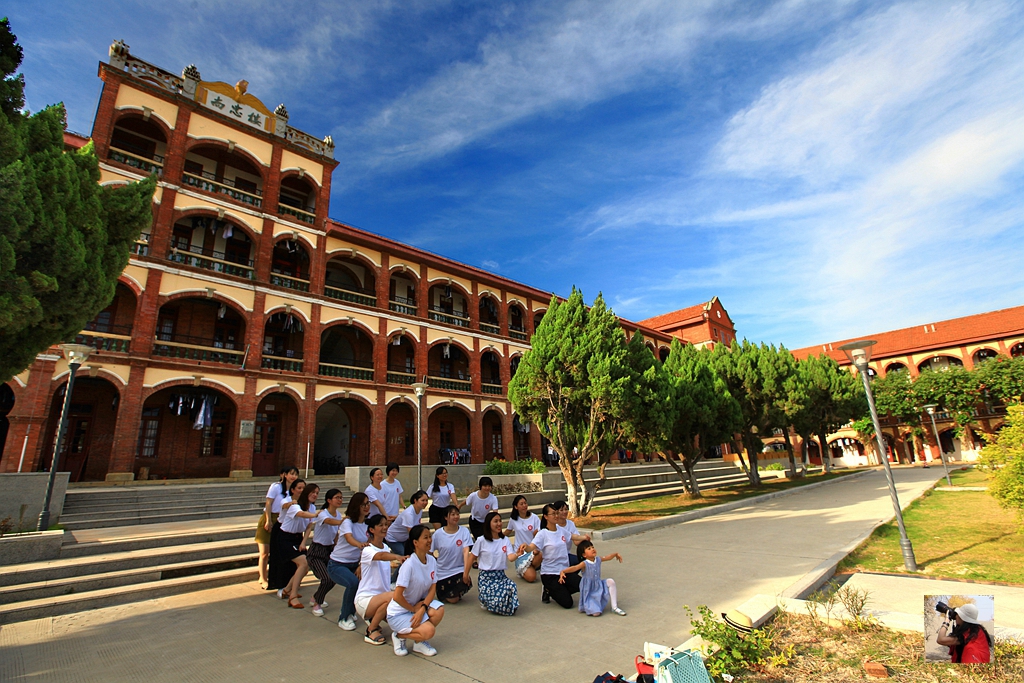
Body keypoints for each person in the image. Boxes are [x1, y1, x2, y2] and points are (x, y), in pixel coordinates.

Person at [387, 525, 445, 657]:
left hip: (418, 605)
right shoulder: (409, 565)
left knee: (439, 610)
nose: (429, 540)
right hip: (399, 612)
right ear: (415, 542)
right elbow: (397, 596)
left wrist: (423, 608)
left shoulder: (431, 560)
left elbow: (432, 588)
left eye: (430, 537)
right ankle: (398, 635)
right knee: (429, 631)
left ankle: (419, 642)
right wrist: (413, 610)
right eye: (425, 537)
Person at [355, 514, 406, 646]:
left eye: (385, 525)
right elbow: (381, 556)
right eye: (380, 525)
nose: (385, 527)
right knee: (393, 596)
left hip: (383, 598)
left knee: (404, 624)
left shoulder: (385, 546)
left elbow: (383, 554)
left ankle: (374, 620)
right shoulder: (367, 550)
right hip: (365, 600)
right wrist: (397, 556)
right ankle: (371, 630)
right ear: (372, 529)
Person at [327, 492, 371, 631]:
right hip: (337, 564)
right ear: (356, 506)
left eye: (368, 503)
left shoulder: (367, 525)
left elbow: (369, 545)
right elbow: (349, 538)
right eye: (363, 504)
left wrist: (360, 565)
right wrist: (359, 545)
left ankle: (351, 611)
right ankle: (344, 617)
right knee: (353, 583)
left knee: (361, 585)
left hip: (354, 563)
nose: (366, 507)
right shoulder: (347, 522)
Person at [522, 504, 580, 609]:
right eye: (553, 514)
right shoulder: (543, 534)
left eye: (557, 513)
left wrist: (584, 537)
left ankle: (560, 588)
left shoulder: (561, 530)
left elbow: (572, 536)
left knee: (582, 585)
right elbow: (531, 547)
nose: (556, 516)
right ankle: (548, 590)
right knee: (568, 603)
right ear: (546, 516)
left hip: (564, 571)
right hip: (550, 574)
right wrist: (525, 547)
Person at [274, 482, 319, 608]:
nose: (315, 495)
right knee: (303, 563)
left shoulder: (312, 508)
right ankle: (293, 596)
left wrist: (303, 542)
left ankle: (287, 589)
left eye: (317, 493)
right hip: (285, 538)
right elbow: (302, 514)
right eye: (312, 492)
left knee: (306, 565)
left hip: (297, 538)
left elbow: (309, 526)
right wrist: (316, 515)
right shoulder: (295, 505)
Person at [559, 539, 626, 617]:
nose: (592, 549)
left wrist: (615, 554)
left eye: (592, 547)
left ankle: (614, 607)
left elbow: (607, 557)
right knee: (596, 613)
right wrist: (563, 571)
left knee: (611, 581)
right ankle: (589, 605)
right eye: (589, 549)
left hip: (598, 584)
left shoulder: (598, 559)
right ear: (584, 555)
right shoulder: (584, 564)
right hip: (589, 589)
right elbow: (575, 567)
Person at [255, 467, 298, 589]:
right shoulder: (276, 487)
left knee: (279, 552)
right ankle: (262, 577)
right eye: (291, 474)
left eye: (295, 474)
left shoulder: (293, 490)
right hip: (270, 517)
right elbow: (268, 503)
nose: (293, 476)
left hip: (283, 521)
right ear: (284, 475)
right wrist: (268, 520)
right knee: (264, 552)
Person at [303, 488, 344, 616]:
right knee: (326, 578)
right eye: (337, 497)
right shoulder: (323, 514)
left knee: (333, 578)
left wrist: (337, 547)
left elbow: (335, 533)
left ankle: (316, 597)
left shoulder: (338, 515)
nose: (339, 500)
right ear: (329, 500)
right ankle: (317, 604)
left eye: (341, 497)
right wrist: (343, 522)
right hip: (316, 552)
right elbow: (329, 522)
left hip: (329, 550)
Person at [470, 511, 519, 616]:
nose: (499, 524)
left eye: (500, 521)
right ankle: (485, 599)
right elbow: (472, 557)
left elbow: (511, 557)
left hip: (500, 576)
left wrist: (518, 554)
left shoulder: (504, 540)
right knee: (497, 600)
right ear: (489, 524)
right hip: (486, 578)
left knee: (511, 586)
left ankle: (500, 604)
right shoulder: (481, 540)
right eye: (495, 521)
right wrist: (465, 574)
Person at [267, 478, 304, 596]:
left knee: (296, 563)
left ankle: (292, 586)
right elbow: (285, 505)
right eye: (299, 488)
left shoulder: (304, 503)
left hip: (296, 534)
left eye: (303, 488)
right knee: (282, 560)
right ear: (292, 490)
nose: (301, 490)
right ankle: (281, 586)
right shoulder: (286, 500)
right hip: (282, 531)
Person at [431, 505, 473, 603]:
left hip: (458, 570)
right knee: (450, 598)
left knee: (456, 596)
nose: (456, 517)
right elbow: (430, 552)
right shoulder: (438, 534)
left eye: (457, 514)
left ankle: (455, 592)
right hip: (442, 572)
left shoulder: (464, 531)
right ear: (446, 517)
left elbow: (466, 551)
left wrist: (466, 572)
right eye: (453, 514)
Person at [505, 495, 542, 583]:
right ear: (516, 507)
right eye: (521, 504)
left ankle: (531, 567)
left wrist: (536, 533)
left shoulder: (534, 517)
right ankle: (525, 568)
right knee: (532, 578)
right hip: (520, 553)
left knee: (540, 554)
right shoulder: (513, 519)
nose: (524, 505)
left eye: (525, 503)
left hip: (533, 550)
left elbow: (541, 533)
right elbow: (508, 531)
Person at [385, 490, 427, 557]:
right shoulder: (409, 514)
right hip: (393, 539)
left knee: (410, 557)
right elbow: (412, 533)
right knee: (404, 558)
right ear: (415, 500)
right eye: (422, 500)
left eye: (426, 500)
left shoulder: (420, 510)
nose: (425, 502)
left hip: (404, 538)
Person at [552, 499, 590, 564]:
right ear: (556, 512)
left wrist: (585, 538)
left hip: (566, 555)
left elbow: (576, 541)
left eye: (566, 509)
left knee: (581, 561)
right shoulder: (552, 525)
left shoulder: (570, 524)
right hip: (554, 556)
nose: (564, 512)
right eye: (561, 510)